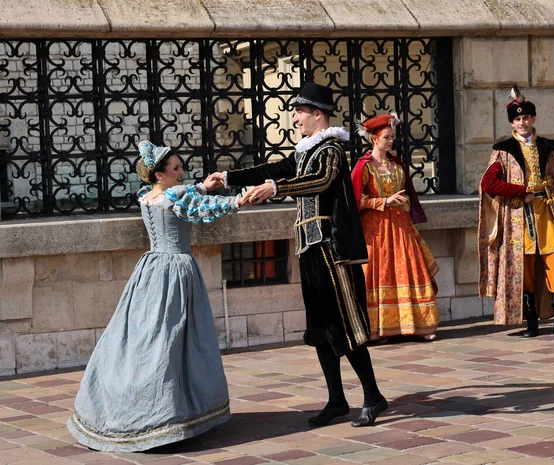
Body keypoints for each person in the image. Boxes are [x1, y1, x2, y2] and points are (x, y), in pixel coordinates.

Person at [212, 82, 387, 427]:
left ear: (317, 114)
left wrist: (276, 189)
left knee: (344, 326)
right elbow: (274, 169)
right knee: (320, 329)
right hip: (309, 247)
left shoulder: (331, 150)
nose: (294, 118)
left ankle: (373, 396)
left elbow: (319, 182)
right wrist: (229, 176)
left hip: (331, 249)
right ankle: (336, 400)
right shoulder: (307, 150)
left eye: (299, 111)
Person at [67, 140, 241, 452]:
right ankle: (163, 418)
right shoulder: (174, 196)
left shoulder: (145, 197)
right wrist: (236, 201)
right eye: (175, 168)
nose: (181, 171)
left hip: (150, 269)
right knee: (172, 341)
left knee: (144, 337)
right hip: (177, 271)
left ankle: (164, 411)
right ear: (160, 174)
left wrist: (203, 185)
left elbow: (183, 196)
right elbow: (201, 209)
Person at [478, 86, 554, 338]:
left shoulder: (552, 147)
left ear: (533, 119)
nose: (523, 122)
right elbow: (488, 183)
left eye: (526, 118)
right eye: (518, 119)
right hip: (520, 217)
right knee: (527, 269)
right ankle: (531, 323)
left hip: (551, 214)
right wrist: (520, 191)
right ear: (513, 122)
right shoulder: (503, 150)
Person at [351, 113, 439, 342]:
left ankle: (417, 325)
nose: (391, 141)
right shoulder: (364, 167)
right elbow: (353, 200)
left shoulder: (396, 165)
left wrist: (404, 203)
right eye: (387, 137)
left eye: (392, 137)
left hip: (400, 227)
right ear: (374, 139)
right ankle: (378, 329)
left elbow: (407, 194)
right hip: (375, 229)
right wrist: (383, 202)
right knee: (377, 274)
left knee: (407, 270)